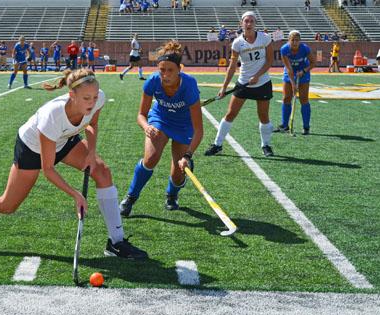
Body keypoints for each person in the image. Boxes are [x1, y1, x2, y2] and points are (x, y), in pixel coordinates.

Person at [0, 68, 148, 260]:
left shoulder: (98, 98)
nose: (91, 103)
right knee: (8, 205)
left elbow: (92, 124)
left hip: (65, 139)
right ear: (71, 95)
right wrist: (75, 194)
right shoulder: (51, 115)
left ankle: (116, 242)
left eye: (93, 97)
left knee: (102, 172)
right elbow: (48, 169)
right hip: (32, 147)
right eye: (85, 99)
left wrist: (91, 152)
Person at [119, 40, 203, 216]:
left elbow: (198, 130)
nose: (165, 75)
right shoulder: (152, 81)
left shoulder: (189, 86)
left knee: (178, 173)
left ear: (180, 69)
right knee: (150, 159)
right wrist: (146, 126)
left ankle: (171, 195)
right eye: (162, 70)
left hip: (183, 124)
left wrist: (188, 155)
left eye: (170, 70)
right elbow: (141, 114)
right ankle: (131, 197)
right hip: (161, 119)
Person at [204, 11, 275, 157]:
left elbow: (269, 61)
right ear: (241, 23)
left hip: (262, 82)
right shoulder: (237, 43)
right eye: (246, 21)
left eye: (251, 21)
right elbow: (232, 67)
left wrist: (257, 76)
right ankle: (217, 144)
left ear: (255, 23)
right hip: (243, 83)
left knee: (263, 116)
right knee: (230, 114)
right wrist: (224, 87)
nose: (248, 24)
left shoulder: (265, 38)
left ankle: (266, 145)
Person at [274, 30, 315, 135]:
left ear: (300, 41)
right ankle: (285, 125)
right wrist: (293, 84)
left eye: (297, 40)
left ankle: (306, 127)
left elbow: (313, 62)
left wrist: (304, 71)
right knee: (286, 97)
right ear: (289, 40)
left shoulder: (305, 49)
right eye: (293, 40)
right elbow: (289, 69)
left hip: (303, 72)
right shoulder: (284, 49)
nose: (295, 42)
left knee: (304, 99)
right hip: (290, 73)